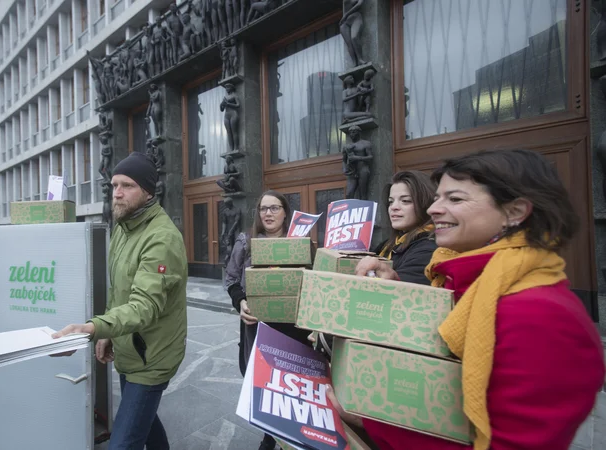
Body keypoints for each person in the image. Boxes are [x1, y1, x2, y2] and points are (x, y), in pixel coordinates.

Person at [332, 149, 605, 449]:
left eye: (455, 199)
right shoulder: (460, 281)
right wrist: (395, 288)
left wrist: (370, 420)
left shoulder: (545, 319)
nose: (434, 209)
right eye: (437, 197)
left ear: (515, 212)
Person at [52, 152, 188, 450]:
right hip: (130, 348)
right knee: (145, 422)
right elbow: (120, 293)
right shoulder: (124, 229)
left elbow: (145, 306)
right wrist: (109, 334)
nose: (117, 193)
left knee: (123, 442)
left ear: (148, 191)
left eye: (127, 185)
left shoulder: (161, 238)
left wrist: (92, 328)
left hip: (152, 357)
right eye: (114, 185)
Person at [224, 190, 312, 450]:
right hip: (257, 324)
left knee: (289, 383)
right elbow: (230, 279)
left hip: (293, 327)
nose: (268, 213)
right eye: (263, 208)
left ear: (286, 212)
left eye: (274, 208)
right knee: (262, 381)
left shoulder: (299, 241)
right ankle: (269, 434)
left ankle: (287, 433)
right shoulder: (246, 242)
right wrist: (240, 301)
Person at [356, 170, 437, 285]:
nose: (394, 207)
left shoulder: (430, 248)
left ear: (426, 204)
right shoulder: (387, 245)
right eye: (390, 202)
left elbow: (401, 293)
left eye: (405, 201)